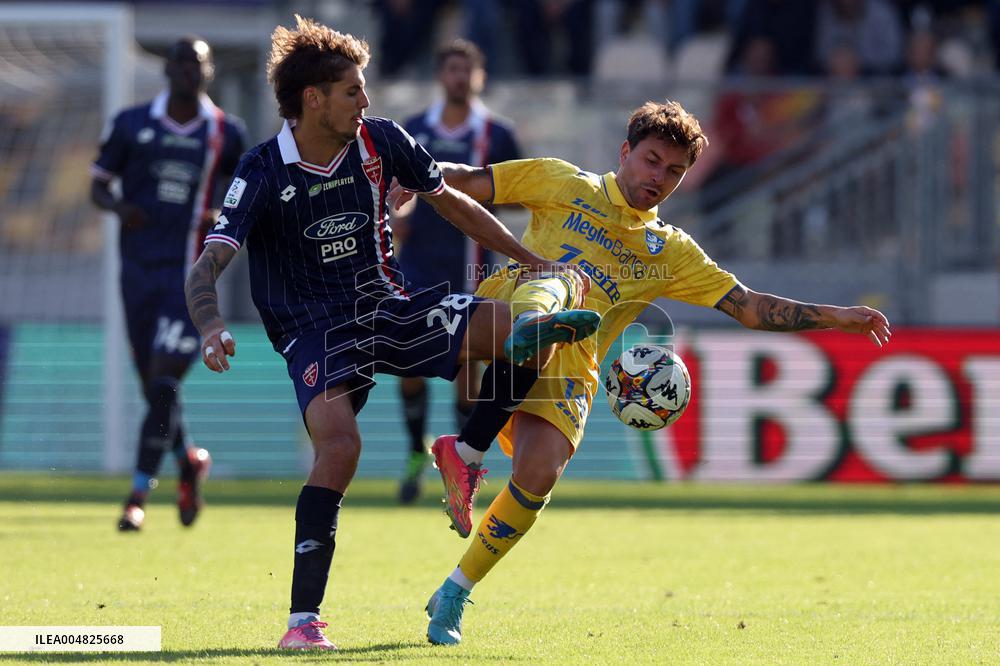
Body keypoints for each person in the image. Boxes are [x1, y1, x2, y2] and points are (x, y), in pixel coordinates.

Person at [404, 100, 891, 645]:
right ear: (625, 153)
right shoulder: (562, 181)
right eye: (652, 161)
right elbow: (472, 180)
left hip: (572, 364)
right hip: (507, 309)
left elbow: (750, 307)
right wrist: (407, 176)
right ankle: (482, 420)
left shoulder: (670, 252)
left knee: (538, 475)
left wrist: (835, 317)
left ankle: (455, 590)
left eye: (674, 171)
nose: (659, 178)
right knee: (561, 284)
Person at [183, 16, 598, 651]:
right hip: (314, 331)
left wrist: (533, 262)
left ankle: (465, 452)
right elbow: (210, 260)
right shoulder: (262, 169)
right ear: (314, 99)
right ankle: (302, 622)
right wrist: (210, 322)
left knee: (528, 332)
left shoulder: (381, 140)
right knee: (340, 449)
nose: (365, 100)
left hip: (387, 306)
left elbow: (453, 202)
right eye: (353, 90)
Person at [90, 37, 247, 532]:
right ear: (166, 69)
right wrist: (120, 208)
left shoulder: (226, 131)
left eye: (196, 62)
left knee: (164, 383)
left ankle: (136, 495)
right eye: (179, 62)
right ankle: (188, 461)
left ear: (209, 70)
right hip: (138, 273)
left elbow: (242, 192)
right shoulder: (131, 123)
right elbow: (98, 185)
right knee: (154, 388)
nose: (187, 70)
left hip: (191, 277)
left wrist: (222, 213)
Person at [393, 38, 522, 505]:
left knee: (468, 373)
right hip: (416, 265)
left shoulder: (497, 134)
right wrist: (398, 218)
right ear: (440, 76)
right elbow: (392, 187)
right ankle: (415, 453)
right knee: (409, 365)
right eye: (451, 69)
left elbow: (516, 190)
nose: (459, 78)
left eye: (467, 70)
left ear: (479, 76)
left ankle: (460, 466)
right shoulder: (414, 129)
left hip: (470, 269)